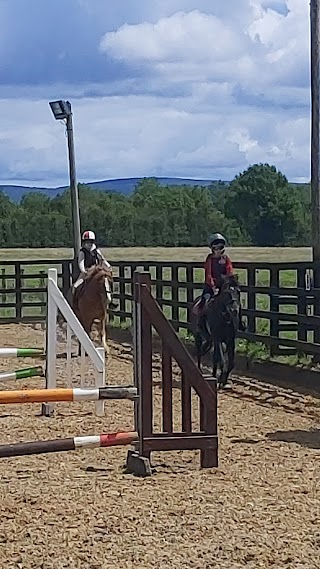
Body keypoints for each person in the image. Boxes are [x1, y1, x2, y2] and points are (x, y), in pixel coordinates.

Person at [197, 233, 246, 330]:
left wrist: (229, 281)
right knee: (204, 301)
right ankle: (201, 324)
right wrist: (213, 287)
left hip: (224, 285)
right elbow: (208, 274)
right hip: (211, 286)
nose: (218, 250)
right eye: (216, 248)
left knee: (235, 301)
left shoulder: (226, 258)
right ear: (212, 249)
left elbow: (229, 269)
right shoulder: (209, 259)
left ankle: (240, 322)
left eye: (220, 248)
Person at [73, 230, 117, 309]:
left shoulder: (96, 250)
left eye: (91, 241)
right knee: (76, 286)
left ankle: (110, 300)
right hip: (87, 272)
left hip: (97, 271)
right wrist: (83, 270)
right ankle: (75, 303)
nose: (89, 243)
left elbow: (102, 259)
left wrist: (108, 266)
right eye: (87, 241)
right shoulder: (82, 252)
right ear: (84, 242)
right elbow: (81, 262)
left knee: (107, 282)